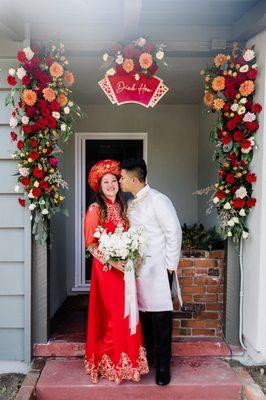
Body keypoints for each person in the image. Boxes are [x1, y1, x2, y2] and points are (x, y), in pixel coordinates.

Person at [83, 159, 149, 384]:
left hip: (125, 270)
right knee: (112, 315)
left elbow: (131, 237)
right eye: (106, 182)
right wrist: (112, 261)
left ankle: (130, 363)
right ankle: (111, 363)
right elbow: (91, 245)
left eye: (114, 180)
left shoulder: (124, 207)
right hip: (106, 270)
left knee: (128, 312)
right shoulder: (94, 210)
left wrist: (130, 258)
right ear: (99, 186)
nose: (111, 184)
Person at [119, 158, 183, 386]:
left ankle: (164, 364)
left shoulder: (159, 200)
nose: (120, 181)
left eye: (123, 177)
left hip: (158, 269)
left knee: (161, 317)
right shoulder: (131, 202)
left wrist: (169, 267)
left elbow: (173, 233)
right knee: (144, 315)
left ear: (134, 179)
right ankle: (151, 359)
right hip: (138, 270)